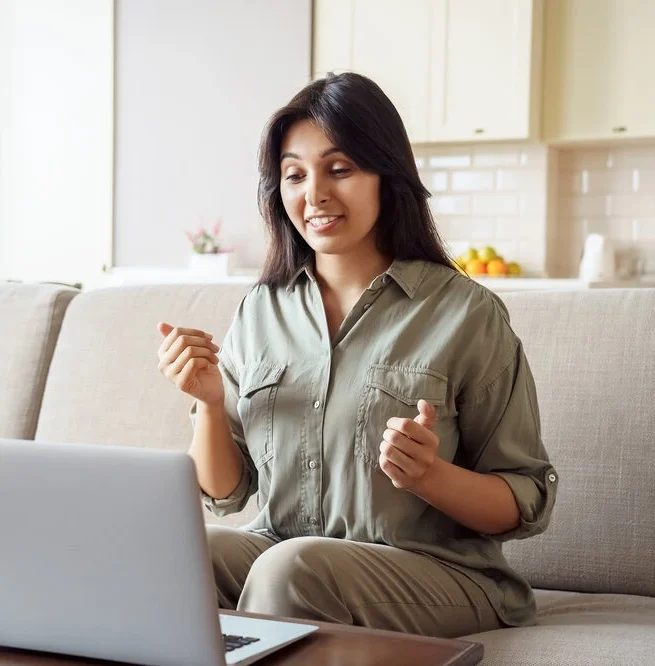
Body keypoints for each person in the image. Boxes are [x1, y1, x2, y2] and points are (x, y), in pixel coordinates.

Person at [156, 72, 558, 639]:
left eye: (339, 169)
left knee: (291, 568)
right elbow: (228, 491)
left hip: (437, 572)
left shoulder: (466, 314)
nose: (314, 194)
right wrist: (210, 405)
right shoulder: (262, 309)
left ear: (385, 177)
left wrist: (430, 475)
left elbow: (525, 499)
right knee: (177, 550)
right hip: (283, 551)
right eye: (295, 174)